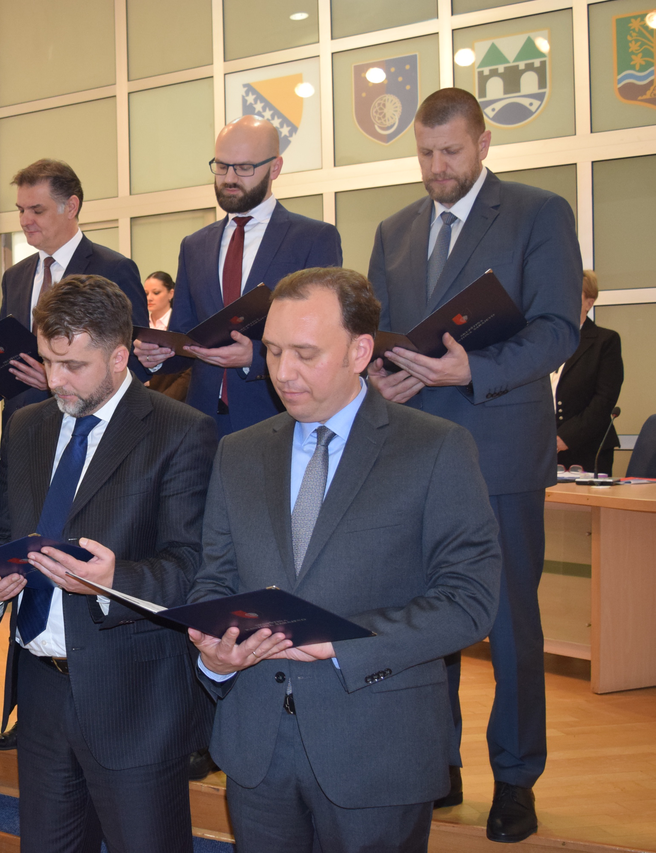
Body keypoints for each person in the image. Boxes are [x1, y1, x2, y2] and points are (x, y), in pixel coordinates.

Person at [189, 267, 502, 853]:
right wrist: (216, 654)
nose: (283, 372)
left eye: (305, 353)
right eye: (273, 350)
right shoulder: (239, 452)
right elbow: (215, 579)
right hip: (255, 748)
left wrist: (342, 643)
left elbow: (469, 602)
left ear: (360, 352)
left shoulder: (435, 448)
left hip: (377, 748)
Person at [367, 87, 581, 842]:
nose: (437, 167)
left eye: (450, 151)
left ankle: (516, 777)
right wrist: (380, 377)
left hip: (501, 453)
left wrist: (472, 371)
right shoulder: (394, 230)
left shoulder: (537, 213)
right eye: (426, 153)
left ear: (484, 144)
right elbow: (378, 337)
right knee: (427, 617)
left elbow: (558, 330)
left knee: (510, 625)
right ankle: (440, 762)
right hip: (414, 453)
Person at [0, 274, 217, 853]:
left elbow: (194, 567)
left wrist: (112, 582)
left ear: (119, 357)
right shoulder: (27, 425)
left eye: (73, 365)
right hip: (41, 689)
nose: (55, 379)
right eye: (47, 361)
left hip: (135, 694)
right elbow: (5, 533)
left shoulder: (180, 431)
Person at [134, 116, 343, 439]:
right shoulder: (194, 246)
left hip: (276, 418)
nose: (229, 178)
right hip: (202, 423)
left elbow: (325, 337)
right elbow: (185, 335)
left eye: (244, 168)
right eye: (221, 166)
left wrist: (256, 357)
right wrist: (158, 356)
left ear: (275, 168)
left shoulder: (313, 239)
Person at [0, 159, 148, 428]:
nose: (25, 220)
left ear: (71, 207)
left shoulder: (114, 269)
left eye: (37, 210)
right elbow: (11, 359)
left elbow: (134, 362)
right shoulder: (15, 276)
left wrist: (57, 380)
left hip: (87, 427)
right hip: (21, 428)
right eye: (21, 210)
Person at [556, 271, 624, 475]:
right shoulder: (548, 342)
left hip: (586, 449)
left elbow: (604, 399)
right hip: (543, 447)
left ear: (589, 303)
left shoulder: (605, 341)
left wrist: (564, 438)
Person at [143, 271, 192, 402]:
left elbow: (187, 372)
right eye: (146, 293)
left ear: (171, 293)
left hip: (173, 399)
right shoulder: (140, 324)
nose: (149, 298)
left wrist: (165, 402)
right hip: (141, 396)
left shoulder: (181, 326)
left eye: (156, 292)